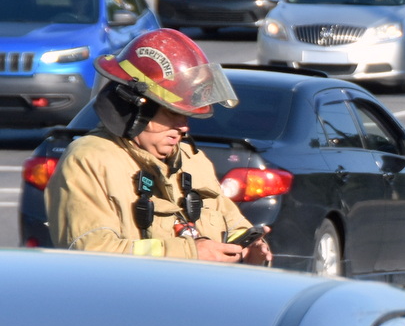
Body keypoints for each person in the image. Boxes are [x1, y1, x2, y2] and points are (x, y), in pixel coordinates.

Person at [46, 29, 272, 265]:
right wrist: (191, 253)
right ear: (137, 107)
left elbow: (231, 223)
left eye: (186, 116)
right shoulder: (89, 160)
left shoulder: (191, 158)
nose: (184, 127)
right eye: (173, 113)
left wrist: (248, 250)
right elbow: (90, 251)